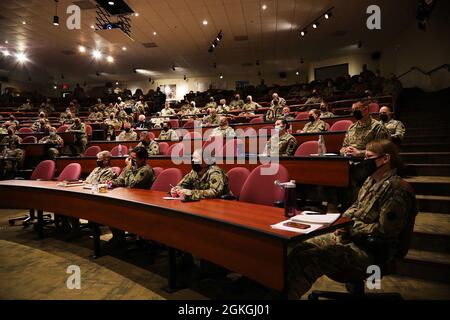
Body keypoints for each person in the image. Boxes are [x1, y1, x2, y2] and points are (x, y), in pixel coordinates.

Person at [287, 140, 416, 299]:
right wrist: (343, 221)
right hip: (350, 238)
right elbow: (356, 206)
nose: (364, 161)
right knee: (300, 247)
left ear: (385, 159)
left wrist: (350, 226)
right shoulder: (371, 180)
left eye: (369, 157)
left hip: (372, 250)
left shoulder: (397, 189)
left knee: (309, 258)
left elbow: (384, 230)